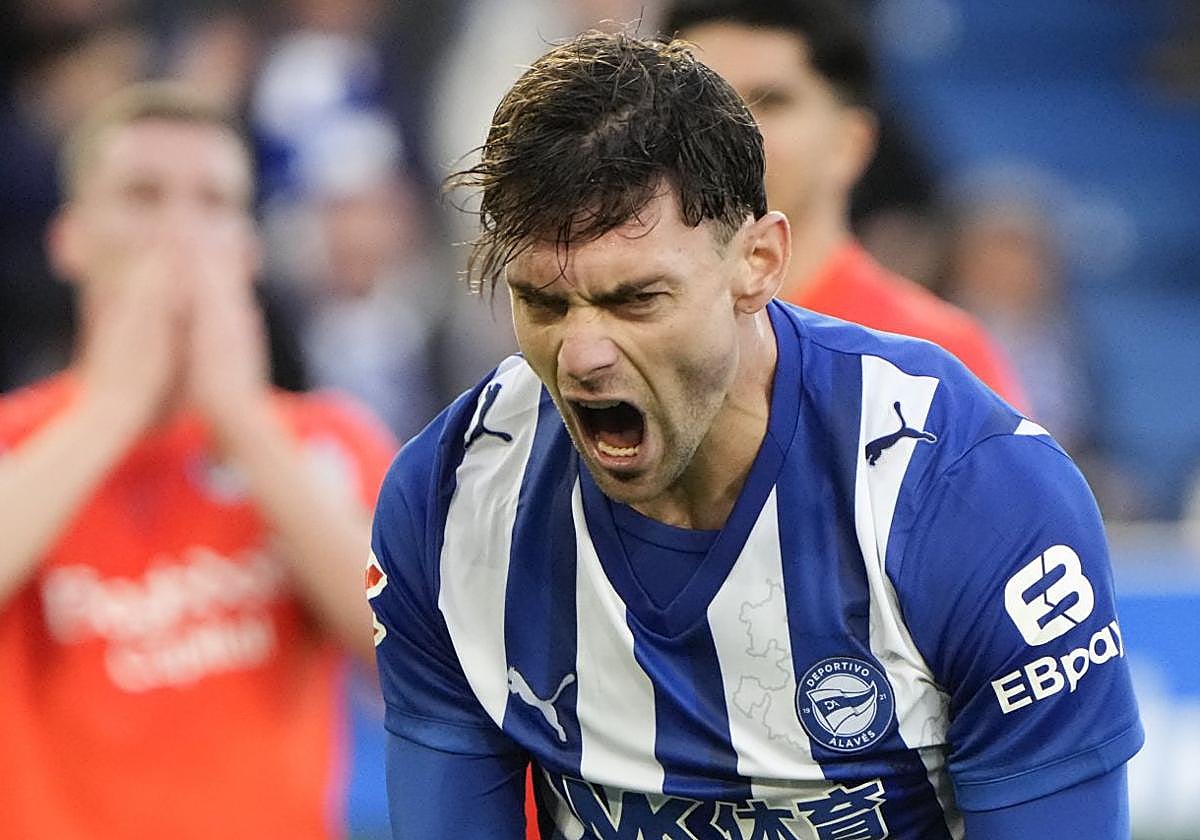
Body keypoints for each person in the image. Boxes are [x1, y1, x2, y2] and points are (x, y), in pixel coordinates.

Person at [368, 32, 1142, 840]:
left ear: (760, 261)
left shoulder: (968, 493)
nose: (582, 357)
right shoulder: (453, 506)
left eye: (637, 300)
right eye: (545, 304)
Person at [0, 83, 397, 839]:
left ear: (248, 250)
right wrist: (112, 409)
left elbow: (411, 665)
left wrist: (244, 424)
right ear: (70, 238)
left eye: (212, 202)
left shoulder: (324, 440)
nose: (179, 231)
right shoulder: (15, 443)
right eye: (142, 196)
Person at [662, 0, 1027, 409]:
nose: (727, 131)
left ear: (850, 143)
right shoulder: (618, 337)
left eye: (771, 102)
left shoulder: (934, 360)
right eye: (701, 101)